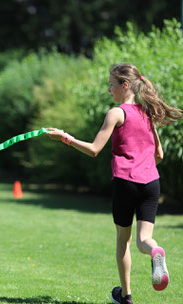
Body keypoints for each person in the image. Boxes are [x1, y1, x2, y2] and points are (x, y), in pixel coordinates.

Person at [46, 63, 182, 304]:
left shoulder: (116, 113)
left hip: (125, 181)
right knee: (144, 240)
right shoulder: (148, 113)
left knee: (123, 239)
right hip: (151, 183)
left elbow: (94, 149)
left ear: (125, 85)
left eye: (111, 84)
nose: (109, 89)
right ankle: (155, 251)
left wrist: (64, 138)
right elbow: (159, 154)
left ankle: (126, 296)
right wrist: (144, 168)